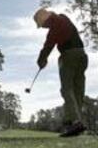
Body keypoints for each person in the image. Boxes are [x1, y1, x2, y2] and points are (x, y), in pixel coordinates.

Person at [33, 8, 88, 137]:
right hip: (82, 55)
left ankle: (73, 123)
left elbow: (48, 45)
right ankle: (74, 122)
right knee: (78, 90)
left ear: (45, 19)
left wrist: (41, 59)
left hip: (69, 56)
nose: (43, 27)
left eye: (42, 25)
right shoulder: (64, 17)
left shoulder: (54, 27)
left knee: (67, 89)